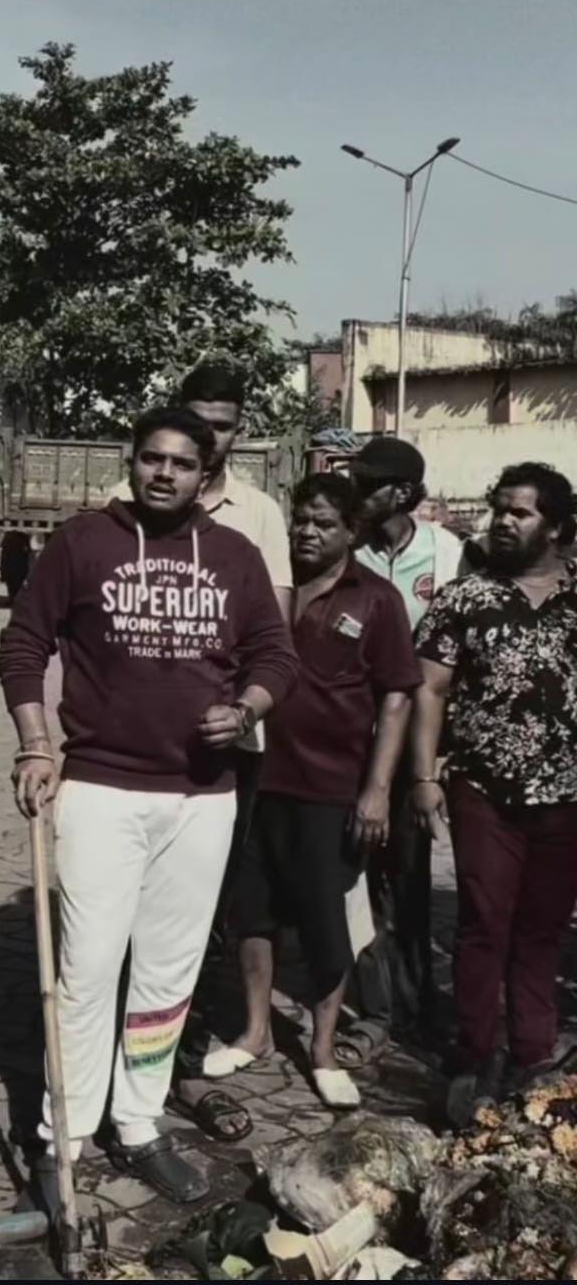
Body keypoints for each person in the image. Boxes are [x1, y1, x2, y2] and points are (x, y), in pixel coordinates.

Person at [0, 405, 297, 1207]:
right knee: (87, 971)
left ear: (206, 475)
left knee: (168, 972)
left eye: (182, 463)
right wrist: (35, 745)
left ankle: (136, 1123)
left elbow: (276, 654)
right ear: (131, 462)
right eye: (151, 458)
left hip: (202, 797)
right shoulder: (82, 543)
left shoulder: (233, 556)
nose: (164, 473)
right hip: (101, 790)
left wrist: (249, 709)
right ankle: (63, 1135)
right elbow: (22, 645)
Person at [117, 361, 293, 1143]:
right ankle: (108, 1066)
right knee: (120, 916)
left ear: (237, 432)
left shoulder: (260, 516)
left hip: (226, 753)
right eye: (197, 423)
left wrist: (240, 707)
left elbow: (270, 638)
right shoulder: (123, 507)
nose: (208, 439)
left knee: (204, 914)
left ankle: (178, 1063)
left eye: (222, 427)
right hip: (129, 757)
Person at [224, 475, 421, 1107]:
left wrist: (377, 789)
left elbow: (397, 698)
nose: (307, 533)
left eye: (325, 524)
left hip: (329, 786)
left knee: (324, 923)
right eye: (302, 521)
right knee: (252, 912)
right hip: (256, 778)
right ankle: (255, 1031)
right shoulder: (269, 588)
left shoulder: (378, 600)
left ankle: (323, 1048)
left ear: (352, 532)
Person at [412, 462, 577, 1126]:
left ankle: (533, 1059)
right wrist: (424, 777)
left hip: (566, 795)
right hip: (483, 789)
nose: (504, 522)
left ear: (556, 527)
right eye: (500, 509)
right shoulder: (465, 599)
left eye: (521, 512)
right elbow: (429, 688)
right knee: (483, 922)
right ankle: (475, 1054)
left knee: (542, 929)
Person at [339, 437, 462, 1066]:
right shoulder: (346, 549)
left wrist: (436, 757)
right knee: (350, 879)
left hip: (415, 743)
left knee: (408, 880)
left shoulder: (447, 553)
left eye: (368, 484)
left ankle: (417, 1006)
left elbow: (459, 660)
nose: (356, 494)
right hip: (348, 737)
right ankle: (372, 1007)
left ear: (403, 493)